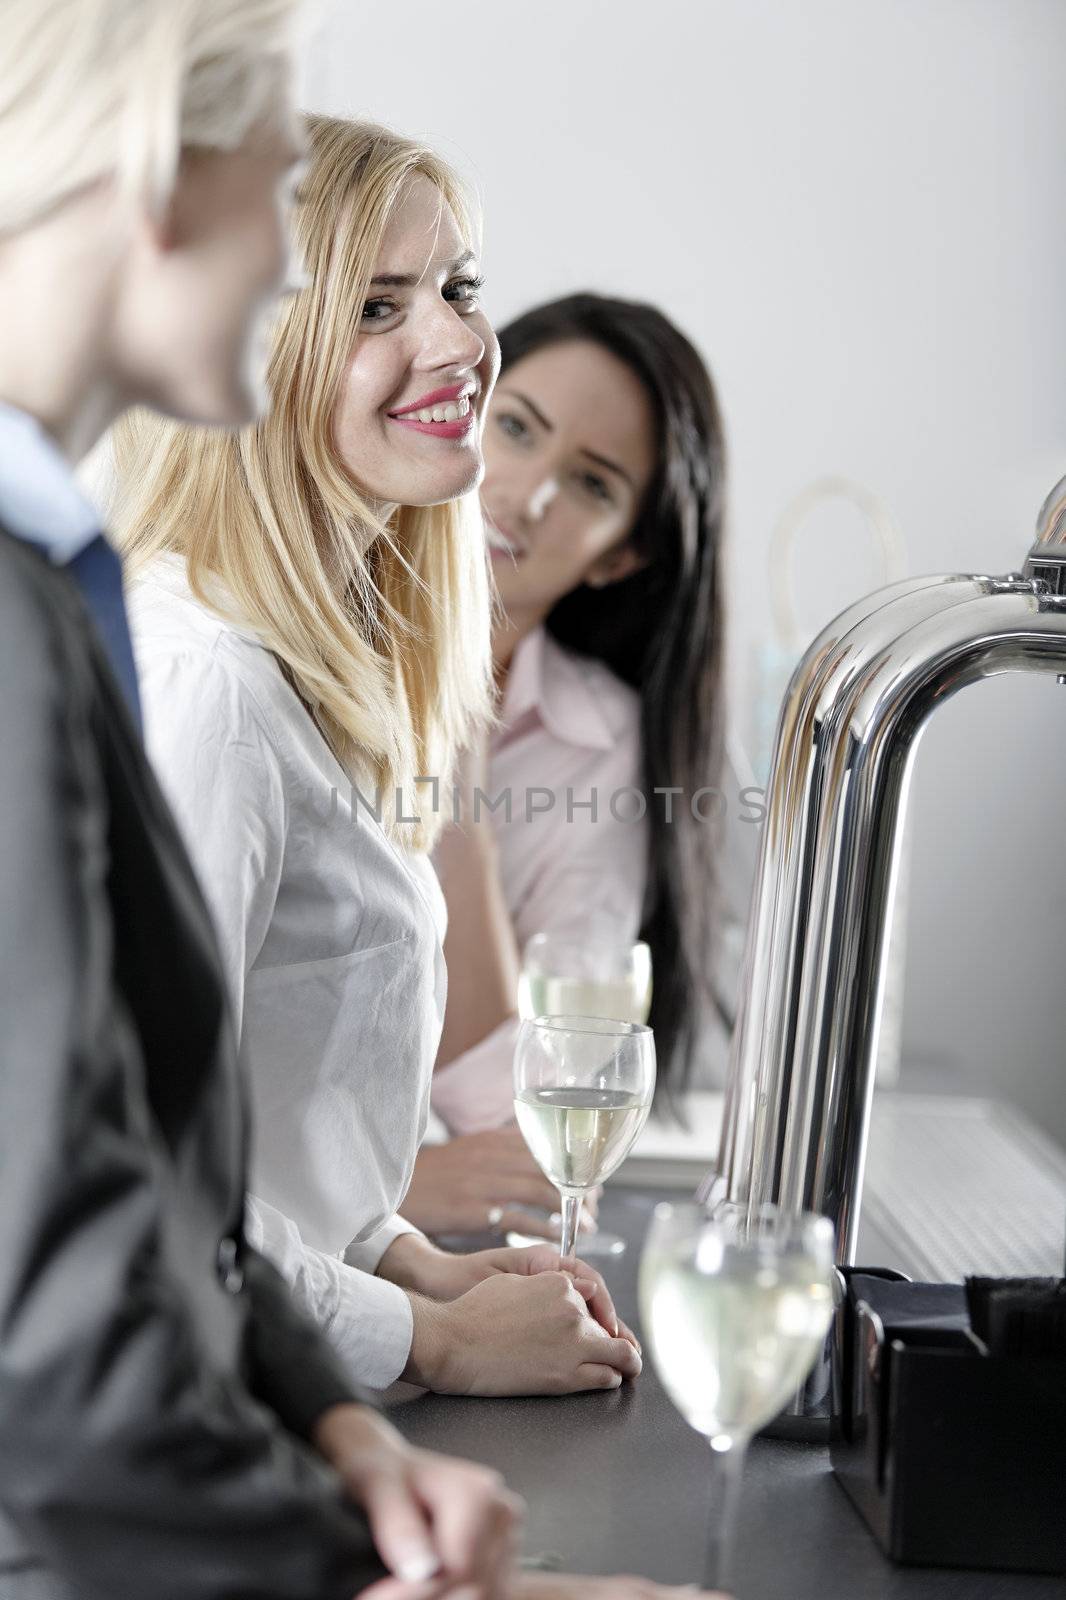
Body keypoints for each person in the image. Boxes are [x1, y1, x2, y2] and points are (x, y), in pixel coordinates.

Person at [0, 4, 534, 1598]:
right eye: (280, 204)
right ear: (167, 181)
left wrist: (341, 1414)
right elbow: (58, 1274)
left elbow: (152, 1149)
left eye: (446, 287)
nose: (280, 265)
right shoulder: (153, 660)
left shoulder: (71, 600)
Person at [110, 117, 642, 1399]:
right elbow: (134, 1189)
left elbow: (271, 1141)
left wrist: (405, 1263)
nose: (460, 343)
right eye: (376, 305)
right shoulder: (208, 694)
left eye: (457, 290)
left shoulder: (309, 677)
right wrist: (436, 1341)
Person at [401, 293, 758, 1241]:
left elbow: (534, 1127)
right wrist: (387, 1189)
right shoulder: (275, 641)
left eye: (592, 486)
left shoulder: (601, 740)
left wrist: (459, 790)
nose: (526, 494)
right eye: (515, 427)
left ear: (620, 556)